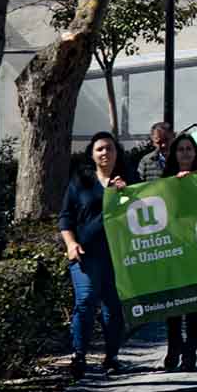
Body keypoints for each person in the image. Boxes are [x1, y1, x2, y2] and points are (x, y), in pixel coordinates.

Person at [58, 132, 135, 379]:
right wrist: (70, 243)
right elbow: (66, 216)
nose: (105, 153)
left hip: (117, 255)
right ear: (92, 154)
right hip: (86, 254)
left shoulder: (129, 180)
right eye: (100, 149)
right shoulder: (81, 181)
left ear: (117, 153)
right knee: (86, 300)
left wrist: (127, 194)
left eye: (110, 149)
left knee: (113, 308)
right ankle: (78, 355)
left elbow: (145, 208)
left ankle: (111, 357)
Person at [160, 134, 197, 372]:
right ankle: (173, 347)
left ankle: (191, 352)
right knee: (174, 304)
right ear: (174, 154)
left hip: (196, 248)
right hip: (172, 249)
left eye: (189, 149)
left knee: (193, 305)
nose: (186, 153)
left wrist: (195, 183)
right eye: (181, 150)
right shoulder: (164, 181)